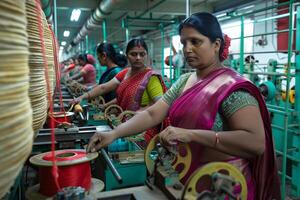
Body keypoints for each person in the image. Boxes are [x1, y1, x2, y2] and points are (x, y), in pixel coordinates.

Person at [87, 12, 281, 200]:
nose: (187, 49)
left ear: (216, 45)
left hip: (223, 187)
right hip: (187, 180)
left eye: (195, 41)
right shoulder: (185, 80)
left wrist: (190, 134)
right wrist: (114, 134)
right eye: (184, 43)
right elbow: (153, 114)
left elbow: (255, 142)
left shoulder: (232, 88)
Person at [74, 38, 167, 142]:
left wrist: (142, 111)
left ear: (147, 55)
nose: (138, 58)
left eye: (142, 54)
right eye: (134, 54)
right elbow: (104, 87)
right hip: (124, 125)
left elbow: (160, 105)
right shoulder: (125, 73)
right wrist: (83, 96)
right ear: (127, 55)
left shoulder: (151, 77)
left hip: (142, 129)